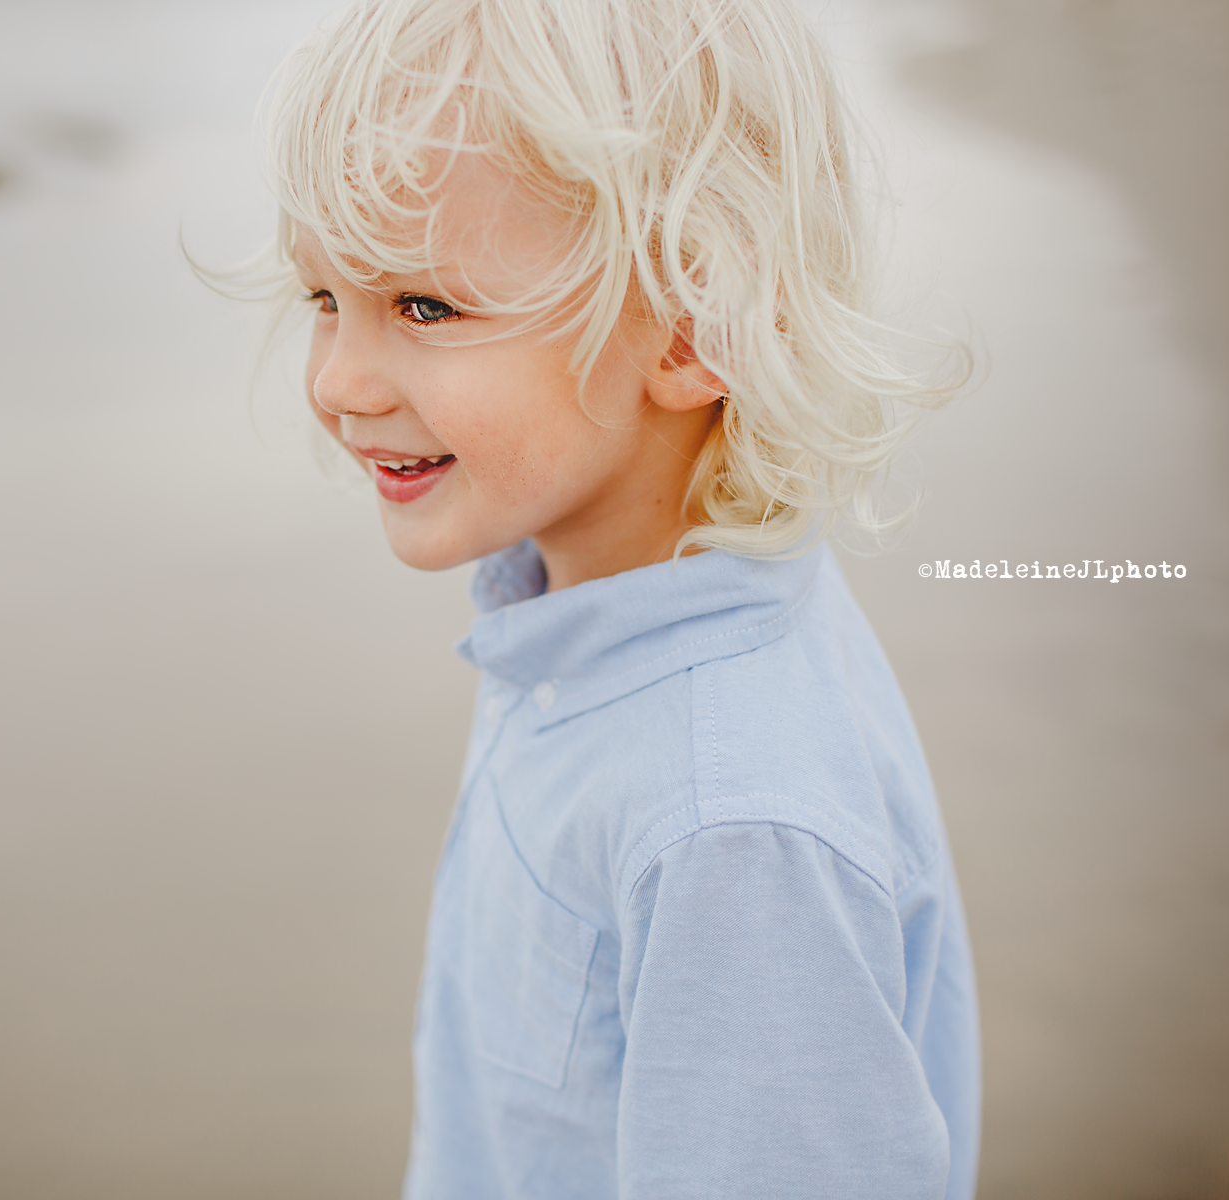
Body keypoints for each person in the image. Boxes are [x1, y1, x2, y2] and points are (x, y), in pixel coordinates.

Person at [259, 0, 979, 1195]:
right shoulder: (600, 593)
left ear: (695, 326)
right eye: (323, 298)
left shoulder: (731, 828)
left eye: (424, 307)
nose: (337, 379)